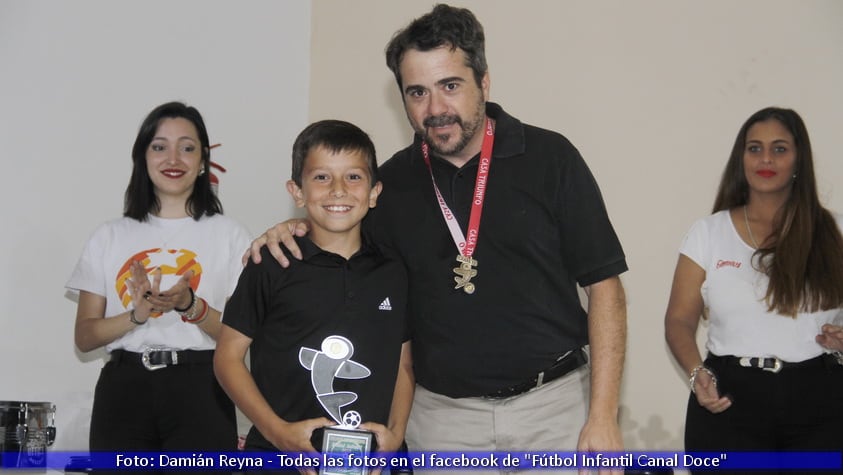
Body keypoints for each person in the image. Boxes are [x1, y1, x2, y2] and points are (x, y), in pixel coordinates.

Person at [249, 4, 628, 472]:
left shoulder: (552, 158)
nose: (435, 109)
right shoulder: (387, 185)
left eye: (450, 86)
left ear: (484, 83)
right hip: (443, 424)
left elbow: (605, 289)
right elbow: (337, 227)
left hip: (555, 412)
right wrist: (293, 227)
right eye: (417, 93)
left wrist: (604, 415)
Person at [214, 120, 413, 475]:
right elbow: (227, 358)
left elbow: (403, 364)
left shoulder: (394, 270)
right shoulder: (270, 263)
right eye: (322, 177)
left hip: (372, 462)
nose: (338, 190)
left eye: (354, 177)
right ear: (297, 191)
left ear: (374, 191)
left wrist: (395, 436)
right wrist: (279, 434)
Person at [66, 101, 251, 474]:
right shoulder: (109, 236)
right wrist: (136, 316)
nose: (173, 158)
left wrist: (190, 306)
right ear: (143, 157)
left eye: (187, 147)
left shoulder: (230, 235)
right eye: (159, 146)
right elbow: (85, 337)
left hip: (202, 386)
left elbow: (240, 337)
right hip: (124, 388)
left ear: (203, 161)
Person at [664, 106, 843, 472]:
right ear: (740, 158)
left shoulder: (834, 231)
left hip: (821, 401)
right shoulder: (708, 233)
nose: (766, 158)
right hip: (728, 399)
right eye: (754, 148)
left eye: (779, 148)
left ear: (798, 159)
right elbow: (679, 320)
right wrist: (698, 373)